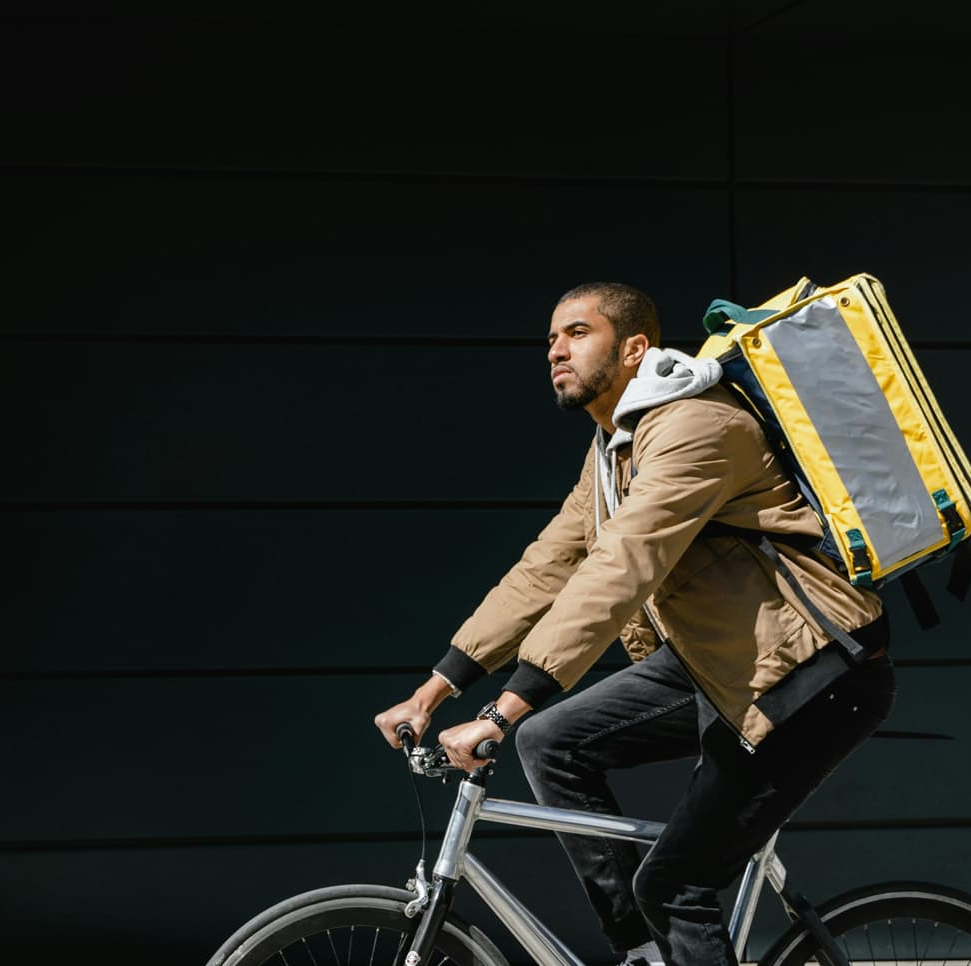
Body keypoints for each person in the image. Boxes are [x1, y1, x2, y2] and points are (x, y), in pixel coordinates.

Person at [372, 282, 897, 966]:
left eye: (578, 333)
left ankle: (666, 930)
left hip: (811, 671)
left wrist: (500, 712)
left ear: (634, 349)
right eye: (551, 339)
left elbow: (622, 567)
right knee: (552, 741)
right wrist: (435, 689)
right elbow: (548, 568)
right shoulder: (612, 450)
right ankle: (645, 955)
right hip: (723, 661)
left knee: (676, 884)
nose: (557, 350)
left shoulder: (697, 425)